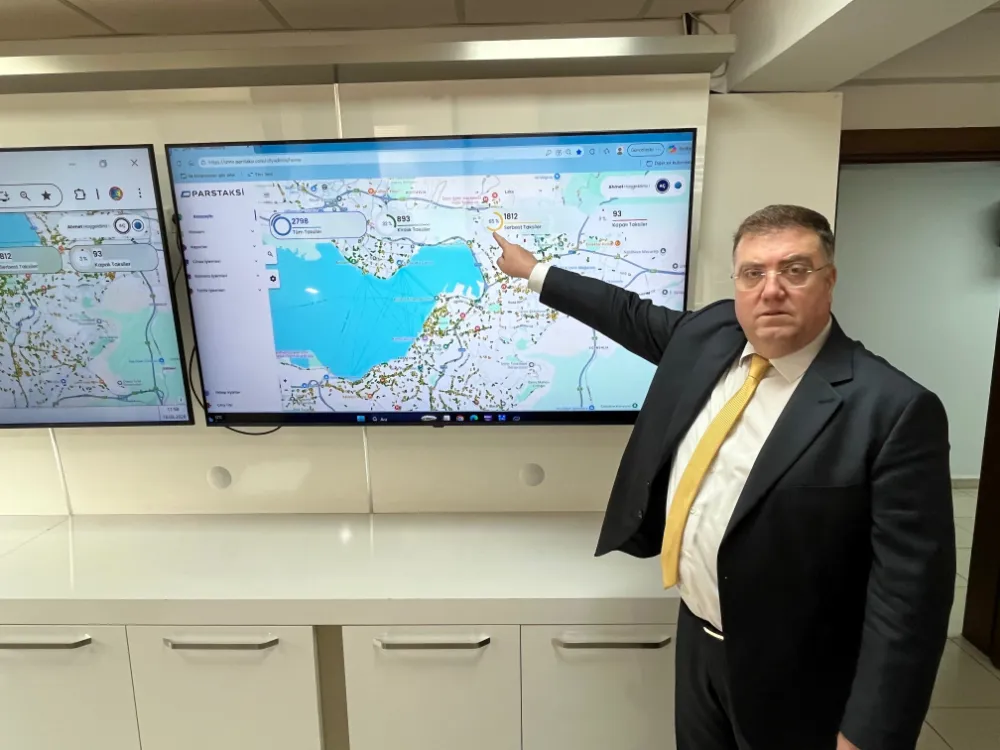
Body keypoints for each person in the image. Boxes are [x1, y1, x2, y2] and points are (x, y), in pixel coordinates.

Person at [493, 205, 955, 750]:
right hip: (698, 637)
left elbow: (909, 598)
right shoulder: (710, 335)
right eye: (753, 273)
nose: (771, 290)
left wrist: (870, 735)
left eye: (795, 270)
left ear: (829, 281)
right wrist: (533, 270)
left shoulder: (894, 410)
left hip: (799, 674)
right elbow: (628, 314)